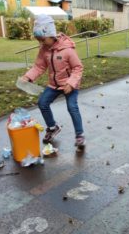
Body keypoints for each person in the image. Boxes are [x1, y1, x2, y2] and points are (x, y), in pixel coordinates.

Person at [20, 14, 85, 148]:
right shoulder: (44, 50)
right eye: (39, 41)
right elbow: (39, 66)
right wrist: (28, 77)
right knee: (42, 103)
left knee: (72, 107)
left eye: (43, 40)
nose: (41, 43)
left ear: (51, 35)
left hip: (69, 85)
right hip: (54, 85)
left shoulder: (67, 49)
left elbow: (78, 68)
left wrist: (71, 83)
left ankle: (79, 134)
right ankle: (52, 127)